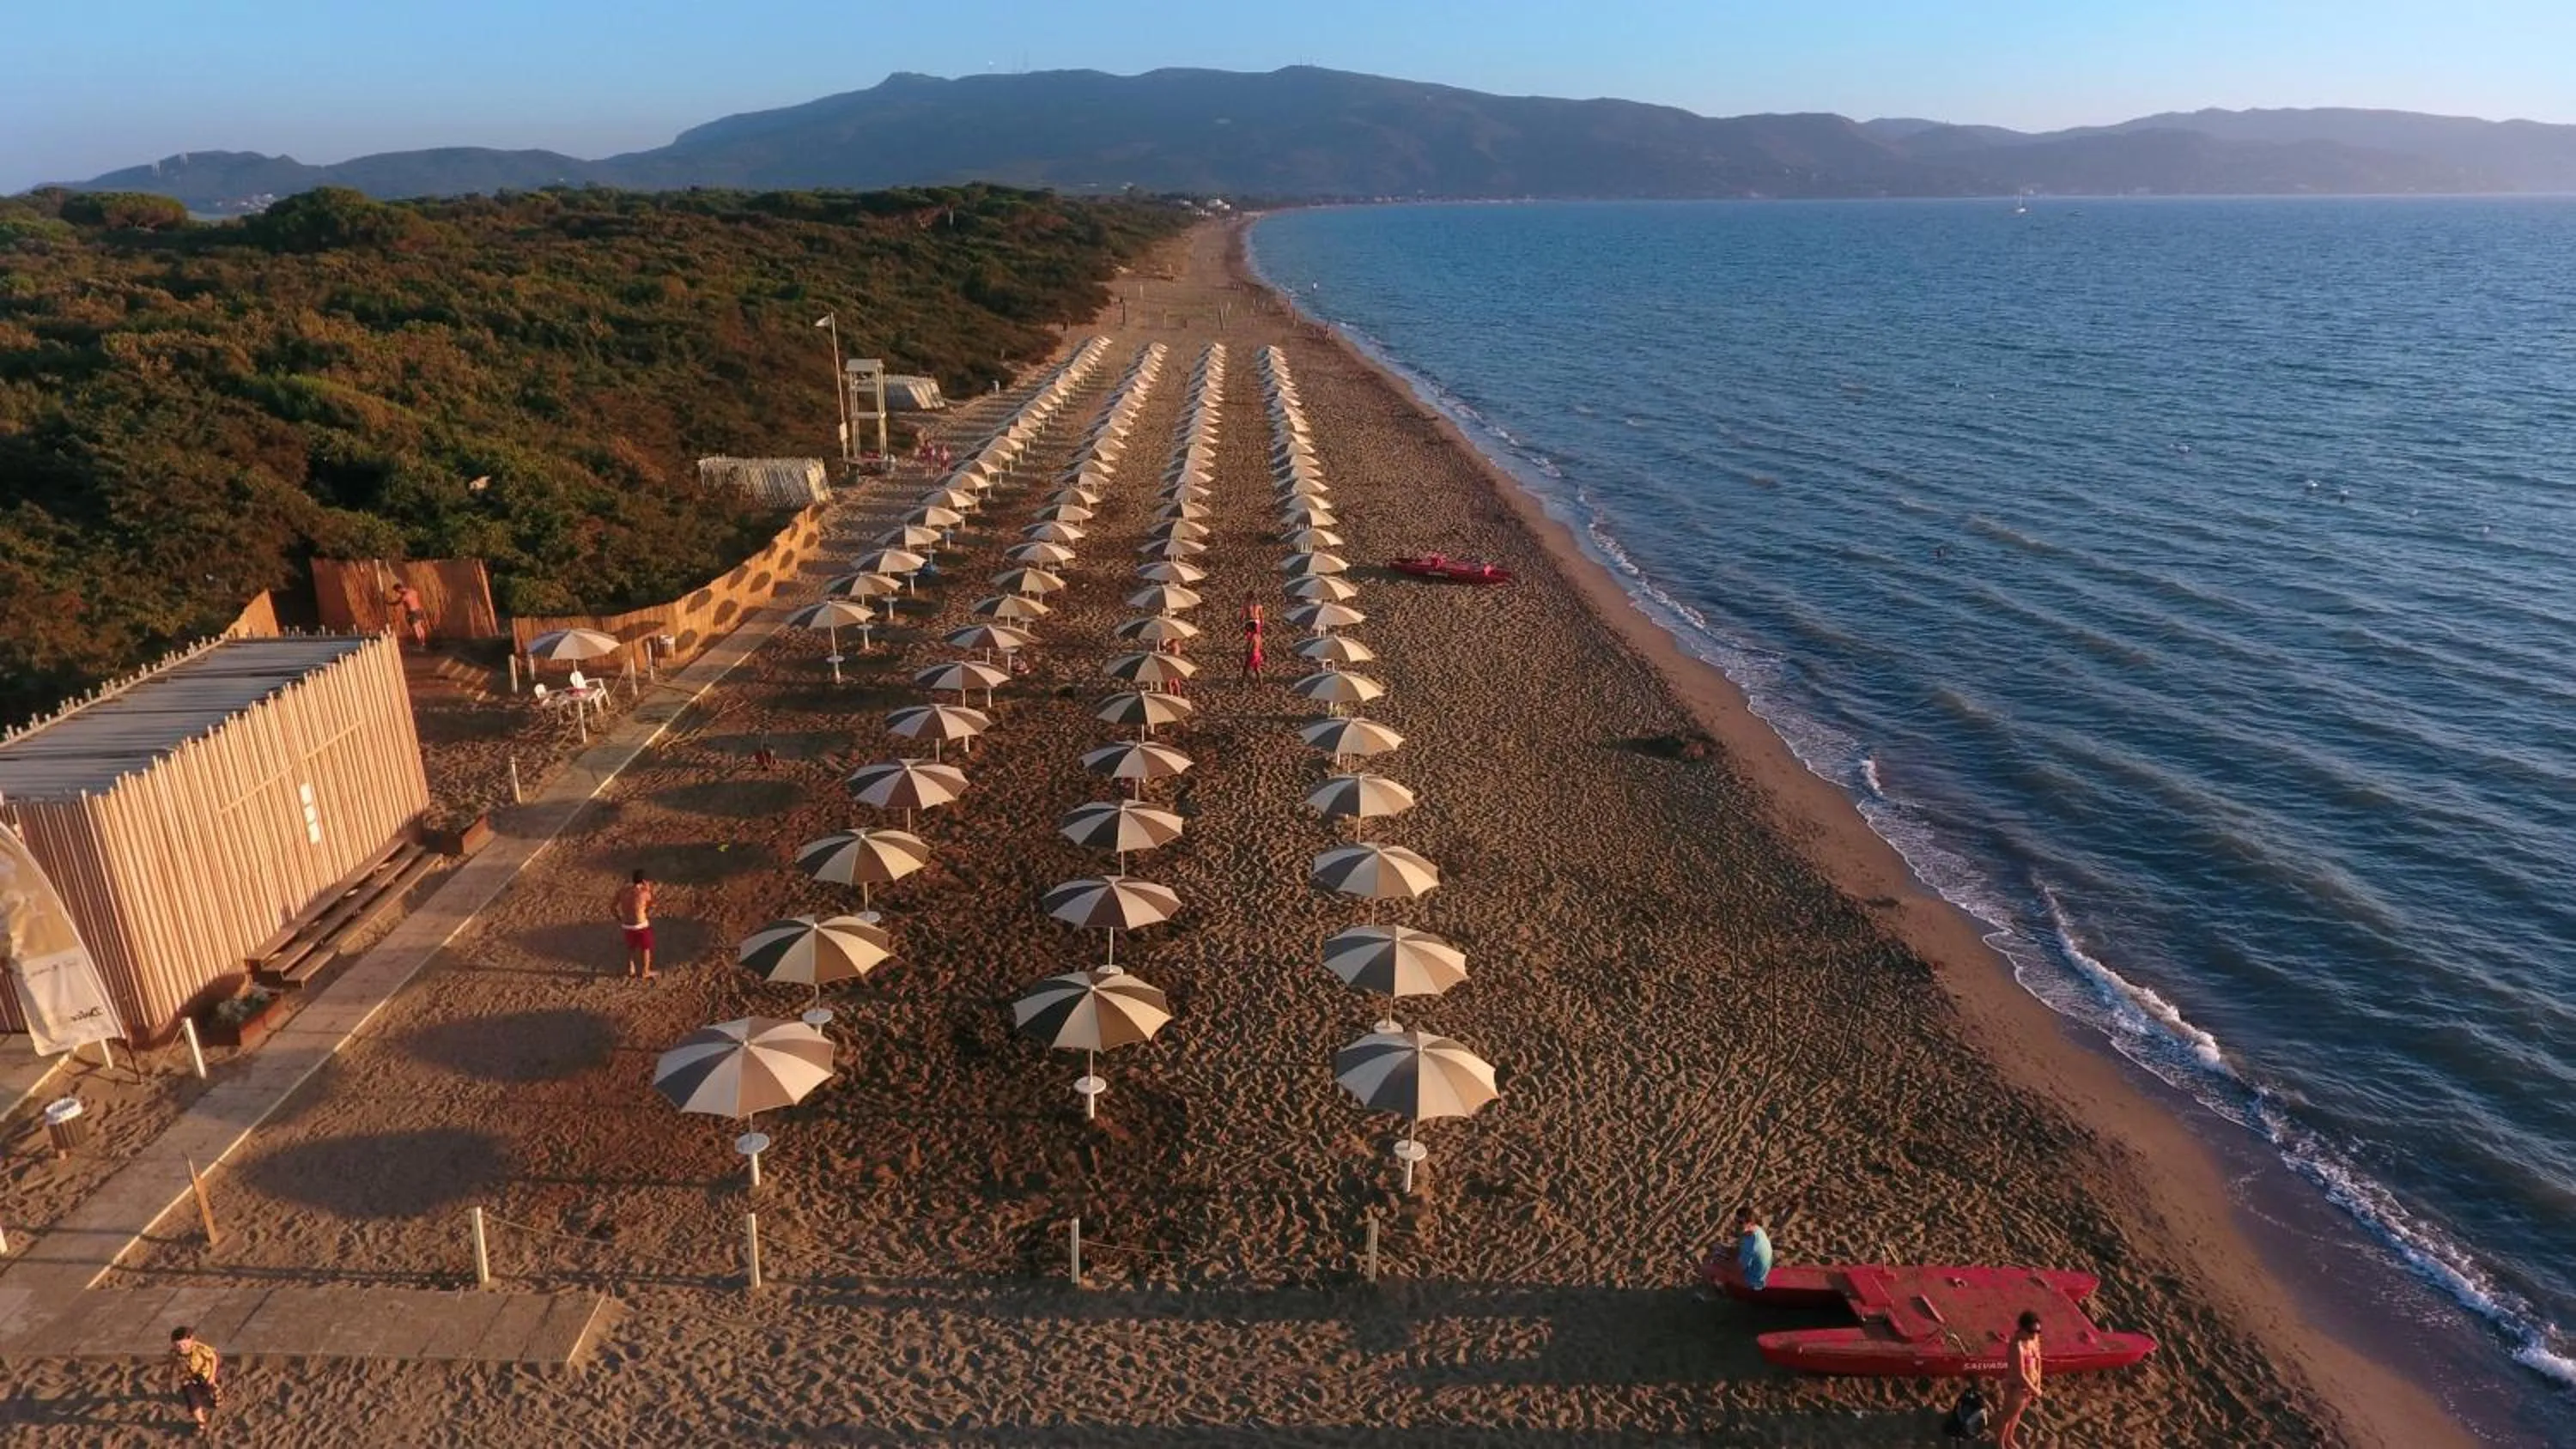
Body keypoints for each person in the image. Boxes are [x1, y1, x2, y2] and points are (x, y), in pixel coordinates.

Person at [1997, 1310, 2044, 1447]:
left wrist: (2038, 1383)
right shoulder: (2017, 1346)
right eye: (2031, 1331)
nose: (2034, 1334)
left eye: (2037, 1331)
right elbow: (2020, 1374)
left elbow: (2039, 1360)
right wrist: (2035, 1390)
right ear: (2022, 1329)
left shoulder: (2033, 1339)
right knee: (2007, 1415)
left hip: (2030, 1386)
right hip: (2016, 1386)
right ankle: (2000, 1443)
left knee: (2017, 1414)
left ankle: (2009, 1438)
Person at [171, 1325, 221, 1436]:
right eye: (178, 1345)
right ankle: (201, 1422)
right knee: (192, 1399)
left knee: (208, 1390)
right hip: (188, 1377)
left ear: (192, 1340)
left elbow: (213, 1358)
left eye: (184, 1344)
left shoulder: (200, 1349)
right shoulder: (174, 1353)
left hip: (204, 1373)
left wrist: (212, 1376)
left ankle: (215, 1393)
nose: (181, 1347)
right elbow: (175, 1364)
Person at [613, 870, 655, 980]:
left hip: (627, 924)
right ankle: (645, 971)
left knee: (631, 947)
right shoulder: (644, 893)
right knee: (646, 948)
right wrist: (648, 889)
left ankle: (630, 969)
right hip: (641, 924)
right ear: (643, 881)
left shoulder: (623, 891)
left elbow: (612, 907)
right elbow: (652, 906)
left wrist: (619, 918)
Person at [1735, 1204, 1773, 1292]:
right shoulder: (1757, 1230)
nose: (1736, 1224)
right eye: (1736, 1220)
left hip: (1754, 1282)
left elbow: (1739, 1269)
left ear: (1750, 1223)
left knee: (1711, 1267)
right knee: (1722, 1253)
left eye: (1740, 1223)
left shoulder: (1752, 1244)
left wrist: (1720, 1263)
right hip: (1761, 1271)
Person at [389, 582, 428, 651]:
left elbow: (396, 603)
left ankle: (420, 645)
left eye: (397, 591)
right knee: (420, 627)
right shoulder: (413, 591)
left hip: (412, 613)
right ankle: (423, 643)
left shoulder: (404, 596)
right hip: (418, 610)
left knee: (416, 628)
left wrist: (388, 603)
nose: (398, 593)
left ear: (399, 589)